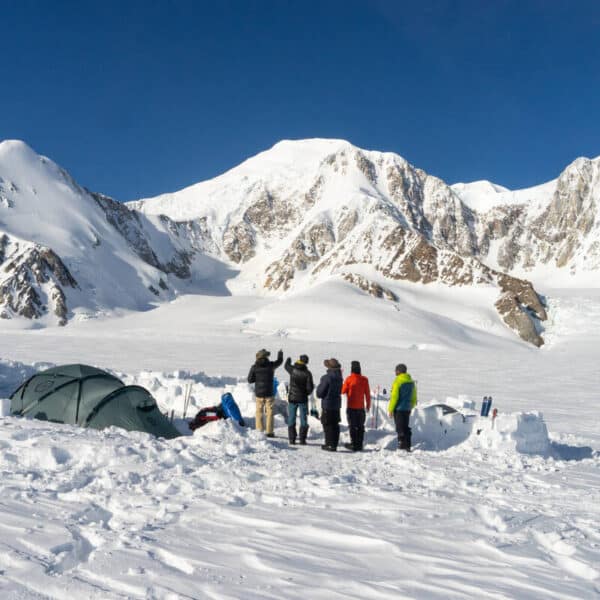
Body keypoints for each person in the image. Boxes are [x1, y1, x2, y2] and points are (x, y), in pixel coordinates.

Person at [248, 348, 283, 437]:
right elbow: (279, 361)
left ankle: (259, 431)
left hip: (259, 394)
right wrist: (280, 354)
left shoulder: (254, 367)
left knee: (259, 412)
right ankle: (269, 432)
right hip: (269, 393)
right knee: (270, 412)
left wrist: (257, 378)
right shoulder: (271, 365)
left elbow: (250, 380)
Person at [284, 354, 314, 445]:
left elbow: (286, 366)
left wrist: (288, 359)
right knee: (303, 419)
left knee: (291, 418)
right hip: (302, 399)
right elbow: (310, 388)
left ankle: (292, 439)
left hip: (292, 398)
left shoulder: (293, 369)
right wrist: (305, 393)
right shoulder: (307, 373)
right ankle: (302, 439)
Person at [341, 361, 371, 451]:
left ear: (351, 370)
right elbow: (368, 394)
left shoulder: (349, 379)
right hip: (361, 408)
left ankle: (353, 444)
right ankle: (360, 444)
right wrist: (368, 405)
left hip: (351, 407)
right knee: (360, 426)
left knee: (352, 426)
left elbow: (342, 391)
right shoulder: (365, 379)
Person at [387, 363, 417, 451]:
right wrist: (410, 406)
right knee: (405, 426)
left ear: (399, 371)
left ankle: (402, 444)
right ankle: (407, 445)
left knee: (399, 427)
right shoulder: (411, 382)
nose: (395, 372)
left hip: (399, 409)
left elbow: (394, 397)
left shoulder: (397, 381)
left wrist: (391, 409)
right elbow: (414, 397)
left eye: (396, 370)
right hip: (407, 408)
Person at [316, 358, 343, 451]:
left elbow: (320, 393)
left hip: (327, 404)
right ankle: (334, 444)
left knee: (327, 425)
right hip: (336, 405)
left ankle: (329, 444)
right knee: (335, 425)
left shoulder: (326, 378)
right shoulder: (340, 378)